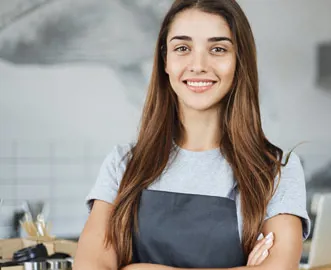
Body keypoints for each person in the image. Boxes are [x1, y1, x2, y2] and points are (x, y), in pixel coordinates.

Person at [73, 0, 310, 269]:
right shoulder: (123, 164)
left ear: (239, 61)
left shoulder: (277, 170)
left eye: (218, 49)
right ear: (165, 61)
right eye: (182, 48)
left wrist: (138, 268)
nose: (198, 65)